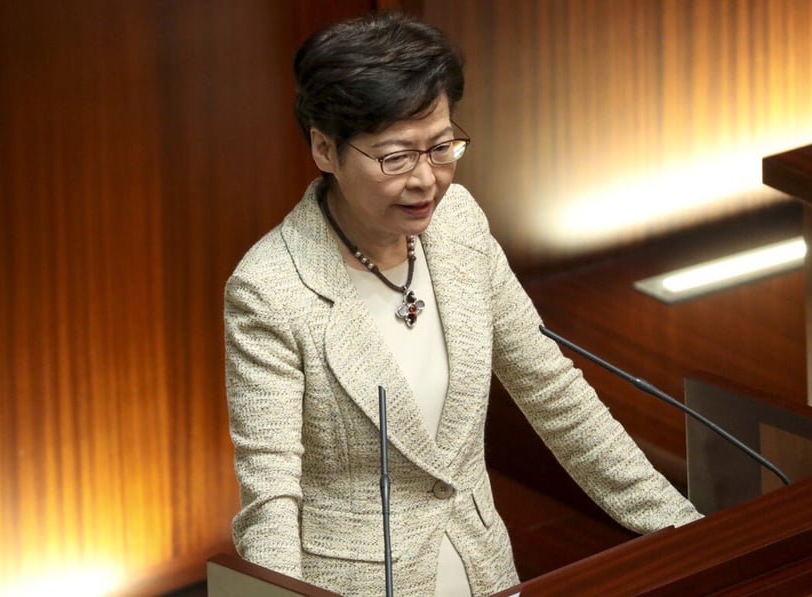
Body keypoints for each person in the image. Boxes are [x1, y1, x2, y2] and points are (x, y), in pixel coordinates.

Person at [224, 11, 702, 596]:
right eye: (396, 157)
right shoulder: (270, 288)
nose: (428, 180)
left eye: (443, 146)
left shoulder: (459, 225)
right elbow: (270, 495)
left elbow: (553, 393)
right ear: (325, 149)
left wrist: (683, 529)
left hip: (486, 572)